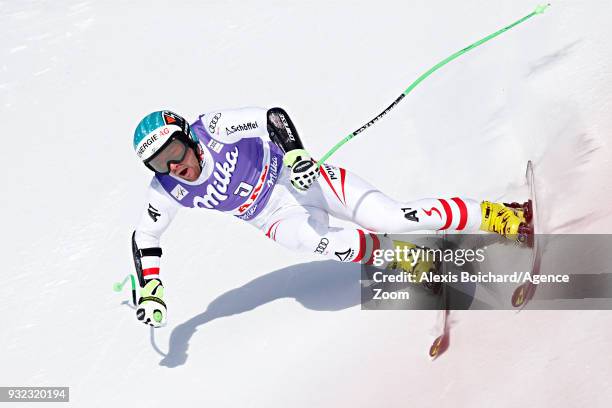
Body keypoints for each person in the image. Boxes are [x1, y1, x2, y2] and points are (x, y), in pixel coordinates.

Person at [130, 108, 528, 327]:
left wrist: (295, 154)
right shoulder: (165, 189)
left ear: (189, 137)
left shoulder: (214, 127)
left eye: (175, 152)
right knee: (318, 242)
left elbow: (272, 117)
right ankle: (417, 260)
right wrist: (151, 289)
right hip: (271, 215)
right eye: (159, 164)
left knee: (391, 215)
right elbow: (146, 236)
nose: (174, 167)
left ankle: (497, 215)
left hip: (297, 178)